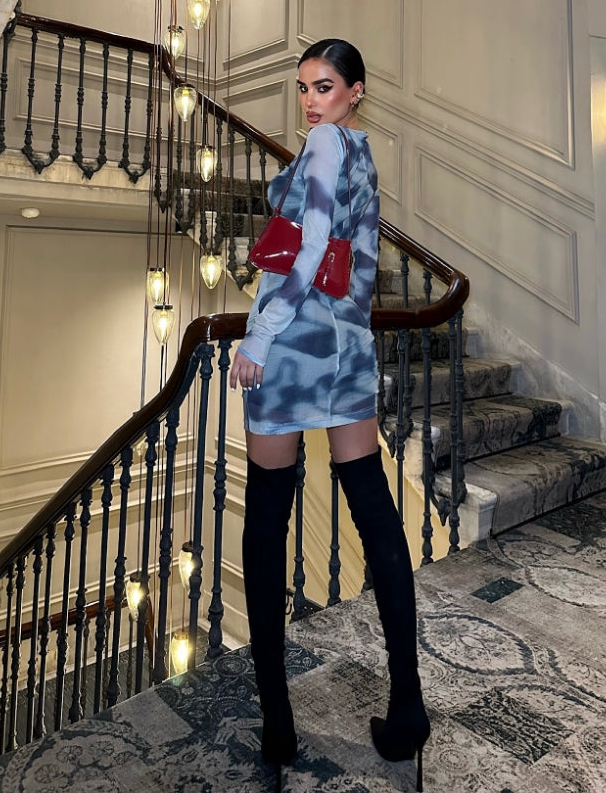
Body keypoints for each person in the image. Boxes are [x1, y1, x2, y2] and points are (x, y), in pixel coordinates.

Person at [230, 38, 430, 791]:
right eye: (304, 88)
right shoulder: (363, 154)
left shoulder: (321, 144)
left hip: (293, 350)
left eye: (324, 86)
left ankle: (277, 719)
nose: (311, 100)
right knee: (376, 515)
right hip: (349, 347)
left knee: (265, 523)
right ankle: (407, 705)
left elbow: (310, 244)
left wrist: (260, 335)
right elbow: (354, 258)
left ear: (355, 90)